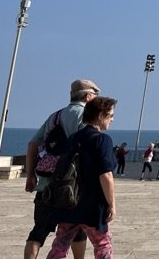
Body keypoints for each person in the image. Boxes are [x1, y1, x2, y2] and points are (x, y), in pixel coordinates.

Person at [24, 78, 101, 259]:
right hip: (73, 187)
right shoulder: (88, 118)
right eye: (96, 95)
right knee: (77, 229)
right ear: (88, 96)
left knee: (38, 232)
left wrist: (30, 176)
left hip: (46, 185)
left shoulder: (55, 116)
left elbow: (32, 145)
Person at [45, 96, 119, 259]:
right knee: (102, 246)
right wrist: (111, 205)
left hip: (69, 201)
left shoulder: (73, 138)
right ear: (100, 116)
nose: (112, 119)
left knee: (60, 246)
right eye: (111, 115)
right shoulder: (102, 140)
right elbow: (105, 175)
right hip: (93, 206)